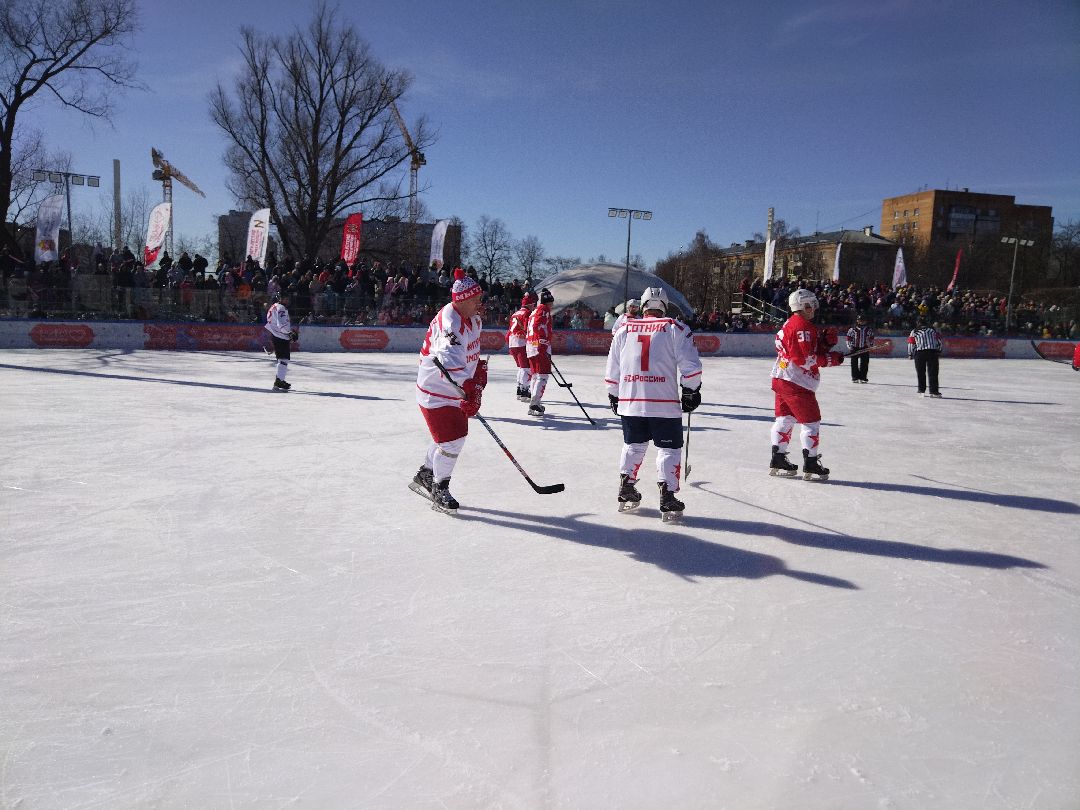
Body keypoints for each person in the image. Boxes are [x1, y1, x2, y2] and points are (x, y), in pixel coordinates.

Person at [605, 286, 702, 521]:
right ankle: (667, 495)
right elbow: (690, 367)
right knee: (668, 449)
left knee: (633, 445)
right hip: (664, 403)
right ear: (665, 306)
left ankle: (626, 487)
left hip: (631, 400)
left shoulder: (624, 328)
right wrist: (691, 391)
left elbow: (612, 368)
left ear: (644, 306)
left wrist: (614, 393)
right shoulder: (674, 328)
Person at [412, 268, 487, 513]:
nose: (480, 303)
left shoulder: (473, 318)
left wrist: (476, 378)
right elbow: (449, 364)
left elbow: (469, 356)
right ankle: (439, 488)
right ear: (462, 300)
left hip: (451, 387)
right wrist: (468, 389)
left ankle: (426, 473)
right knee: (453, 440)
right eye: (476, 299)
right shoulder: (451, 323)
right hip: (436, 389)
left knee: (448, 437)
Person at [769, 288, 845, 480]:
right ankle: (810, 463)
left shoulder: (790, 323)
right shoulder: (803, 327)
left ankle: (777, 458)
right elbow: (805, 359)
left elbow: (800, 349)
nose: (814, 308)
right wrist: (830, 358)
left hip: (781, 377)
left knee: (784, 419)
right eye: (812, 304)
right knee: (811, 423)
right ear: (804, 305)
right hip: (797, 382)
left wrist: (824, 344)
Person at [525, 288, 554, 416]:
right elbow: (538, 325)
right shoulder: (544, 309)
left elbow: (530, 327)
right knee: (542, 375)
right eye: (551, 302)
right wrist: (542, 342)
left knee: (536, 375)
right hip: (539, 346)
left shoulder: (533, 311)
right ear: (548, 301)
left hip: (531, 346)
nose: (552, 305)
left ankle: (533, 403)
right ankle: (535, 403)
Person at [506, 291, 536, 401]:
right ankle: (524, 391)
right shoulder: (527, 313)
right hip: (521, 342)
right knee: (526, 368)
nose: (534, 306)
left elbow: (510, 329)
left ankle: (519, 389)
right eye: (533, 304)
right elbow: (528, 328)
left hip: (512, 341)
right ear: (529, 304)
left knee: (521, 367)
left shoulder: (515, 313)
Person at [264, 292, 298, 390]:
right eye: (284, 298)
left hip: (277, 335)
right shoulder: (281, 308)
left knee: (282, 359)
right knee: (283, 359)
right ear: (279, 298)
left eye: (287, 298)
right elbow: (281, 324)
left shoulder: (273, 306)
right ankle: (278, 381)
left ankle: (280, 380)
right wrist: (289, 333)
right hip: (280, 336)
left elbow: (271, 321)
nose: (286, 300)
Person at [908, 319, 943, 397]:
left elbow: (911, 343)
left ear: (918, 323)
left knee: (920, 372)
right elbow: (939, 341)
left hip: (920, 353)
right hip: (932, 352)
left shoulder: (914, 331)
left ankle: (921, 390)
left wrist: (910, 353)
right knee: (933, 372)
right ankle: (934, 391)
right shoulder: (933, 330)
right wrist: (939, 350)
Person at [845, 312, 875, 383]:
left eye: (863, 320)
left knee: (864, 363)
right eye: (860, 320)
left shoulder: (868, 329)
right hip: (854, 348)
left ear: (866, 321)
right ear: (857, 321)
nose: (861, 321)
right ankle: (855, 377)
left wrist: (871, 345)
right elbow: (848, 338)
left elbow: (871, 337)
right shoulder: (853, 329)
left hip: (864, 348)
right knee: (854, 363)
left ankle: (863, 377)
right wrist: (849, 346)